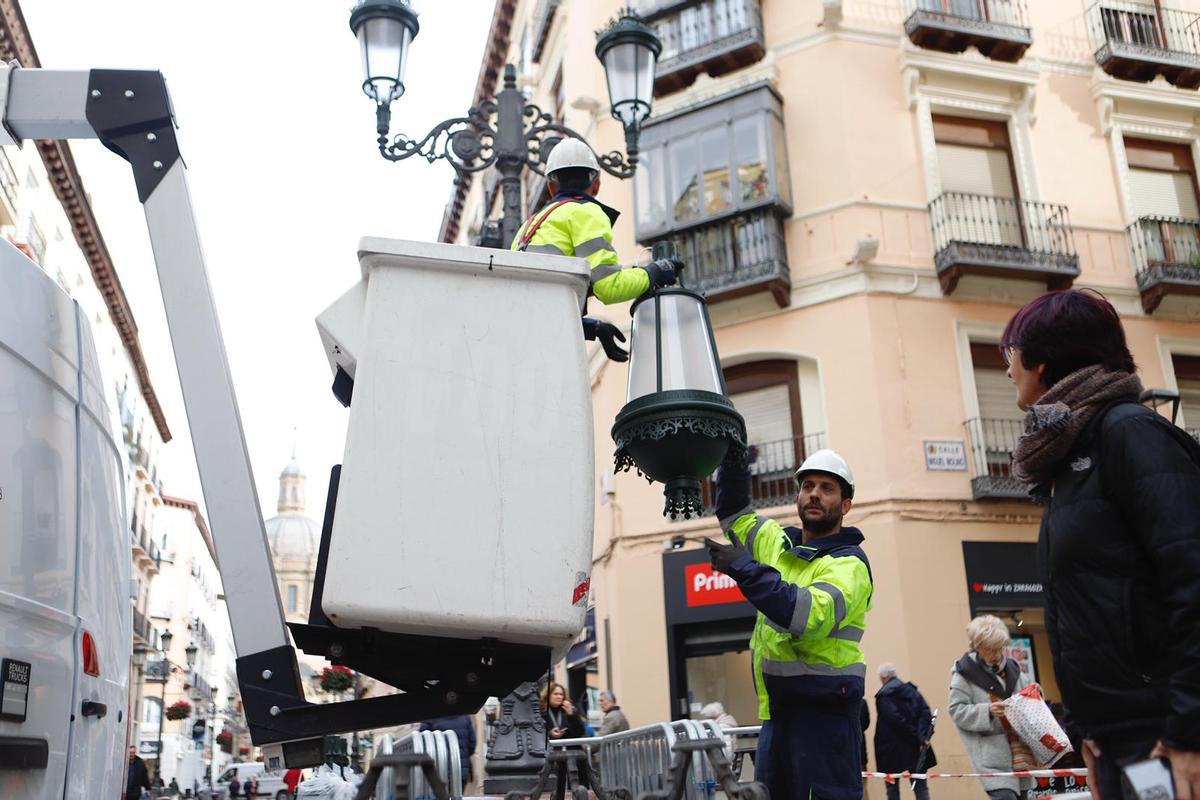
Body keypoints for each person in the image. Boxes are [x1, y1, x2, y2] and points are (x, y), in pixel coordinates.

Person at [1000, 289, 1200, 800]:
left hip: (1165, 736)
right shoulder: (1072, 458)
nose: (1006, 371)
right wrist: (1089, 730)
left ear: (1043, 363)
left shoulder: (1132, 434)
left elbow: (1193, 583)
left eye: (1011, 354)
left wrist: (1188, 730)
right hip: (1118, 739)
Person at [705, 447, 873, 800]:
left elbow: (804, 614)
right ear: (797, 496)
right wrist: (734, 461)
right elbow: (735, 514)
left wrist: (744, 568)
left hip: (824, 720)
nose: (814, 493)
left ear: (845, 506)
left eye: (827, 488)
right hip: (777, 715)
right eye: (808, 485)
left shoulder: (849, 565)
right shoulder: (778, 544)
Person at [510, 137, 680, 362]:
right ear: (597, 183)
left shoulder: (528, 226)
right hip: (547, 344)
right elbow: (609, 287)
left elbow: (535, 306)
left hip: (524, 339)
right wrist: (655, 272)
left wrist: (591, 328)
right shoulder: (586, 212)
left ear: (551, 187)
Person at [948, 615, 1031, 800]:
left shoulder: (1014, 669)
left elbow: (1028, 701)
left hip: (1020, 754)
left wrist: (1035, 696)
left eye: (1000, 649)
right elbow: (956, 710)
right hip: (991, 759)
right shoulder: (963, 674)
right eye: (990, 649)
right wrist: (987, 711)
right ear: (977, 646)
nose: (996, 655)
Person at [875, 663, 934, 800]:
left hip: (889, 749)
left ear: (883, 677)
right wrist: (920, 736)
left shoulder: (883, 696)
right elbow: (925, 712)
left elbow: (895, 719)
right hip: (915, 747)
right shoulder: (912, 691)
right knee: (920, 787)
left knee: (892, 789)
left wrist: (913, 734)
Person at [420, 715, 477, 790]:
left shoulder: (430, 717)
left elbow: (423, 742)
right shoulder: (465, 717)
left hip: (437, 770)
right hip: (460, 769)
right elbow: (472, 743)